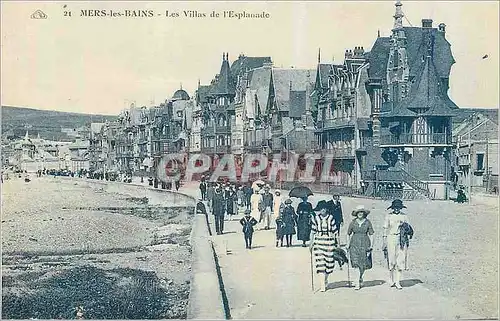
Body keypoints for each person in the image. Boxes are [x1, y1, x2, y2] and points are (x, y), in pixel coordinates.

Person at [309, 200, 339, 292]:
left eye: (324, 208)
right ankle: (322, 284)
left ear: (326, 209)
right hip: (319, 242)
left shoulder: (331, 218)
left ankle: (325, 279)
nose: (322, 210)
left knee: (329, 264)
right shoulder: (316, 219)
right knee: (320, 264)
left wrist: (338, 243)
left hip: (329, 242)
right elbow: (313, 231)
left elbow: (335, 232)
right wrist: (311, 243)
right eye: (321, 209)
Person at [383, 199, 409, 290]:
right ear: (393, 208)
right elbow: (385, 229)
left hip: (401, 239)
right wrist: (384, 241)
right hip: (391, 238)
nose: (397, 209)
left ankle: (398, 281)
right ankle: (391, 279)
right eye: (395, 207)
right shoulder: (389, 216)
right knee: (391, 259)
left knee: (400, 260)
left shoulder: (404, 216)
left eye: (398, 207)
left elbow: (407, 228)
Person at [347, 205, 375, 290]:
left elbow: (371, 234)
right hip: (354, 244)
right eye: (358, 212)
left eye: (361, 212)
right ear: (356, 213)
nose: (360, 214)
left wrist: (371, 246)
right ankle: (357, 283)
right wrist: (348, 244)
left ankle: (360, 277)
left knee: (363, 264)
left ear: (364, 213)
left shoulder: (367, 222)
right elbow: (348, 233)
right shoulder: (353, 222)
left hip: (365, 244)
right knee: (355, 263)